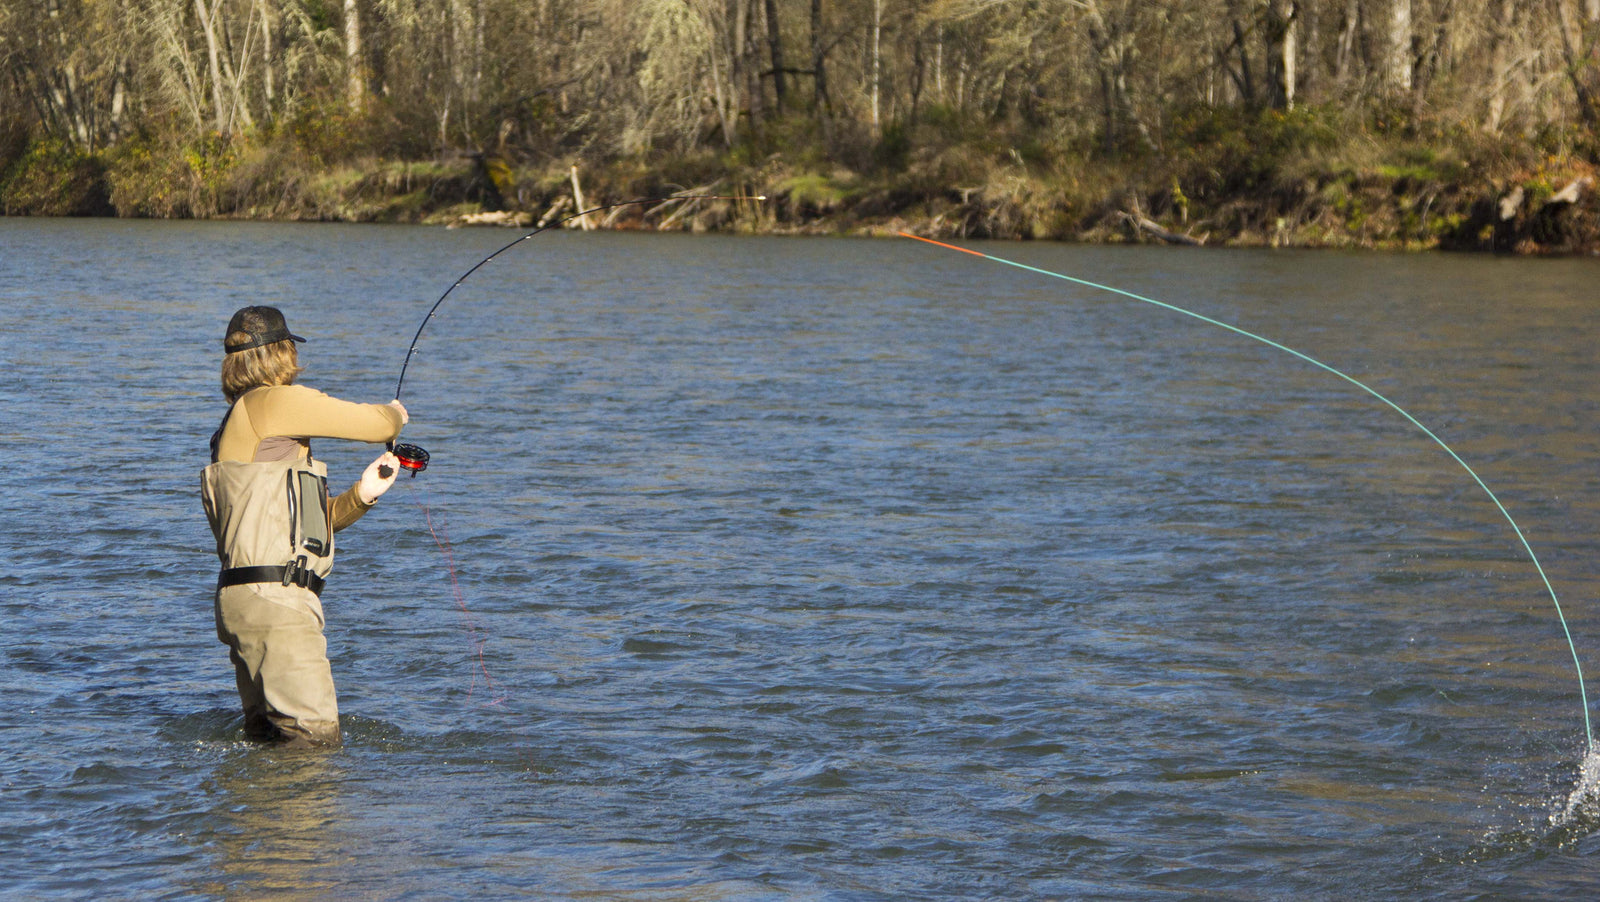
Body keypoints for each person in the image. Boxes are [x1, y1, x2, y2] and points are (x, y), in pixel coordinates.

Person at [201, 305, 408, 747]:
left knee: (268, 745)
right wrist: (394, 415)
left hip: (242, 602)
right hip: (279, 606)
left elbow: (293, 528)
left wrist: (363, 495)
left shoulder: (232, 429)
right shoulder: (273, 403)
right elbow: (377, 424)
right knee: (314, 746)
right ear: (281, 353)